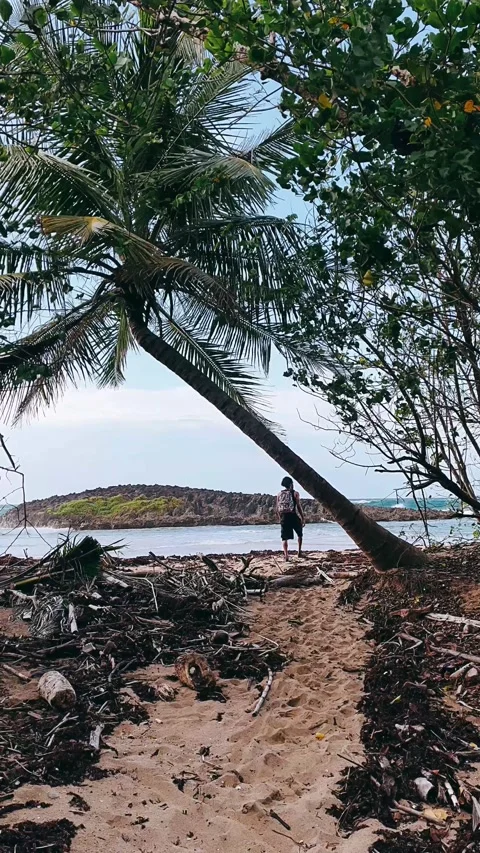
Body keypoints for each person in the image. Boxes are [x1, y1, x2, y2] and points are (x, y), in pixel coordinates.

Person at [276, 476, 305, 561]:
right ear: (291, 484)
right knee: (300, 534)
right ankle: (299, 552)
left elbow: (277, 508)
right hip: (293, 515)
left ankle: (286, 555)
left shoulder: (279, 494)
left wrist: (280, 518)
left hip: (284, 517)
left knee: (284, 537)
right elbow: (298, 506)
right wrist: (302, 518)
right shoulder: (295, 493)